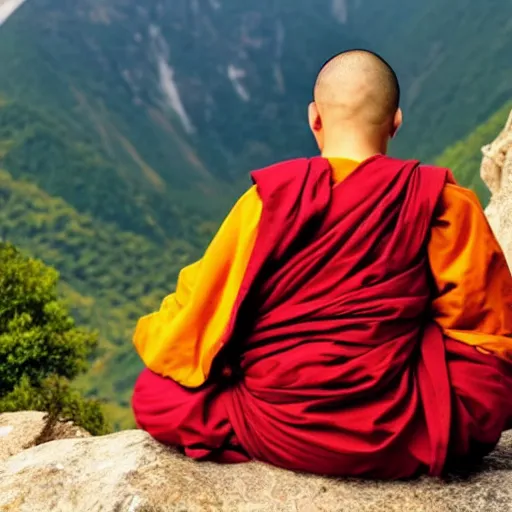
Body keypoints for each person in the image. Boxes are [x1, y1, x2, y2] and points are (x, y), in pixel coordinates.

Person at [132, 49, 512, 479]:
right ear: (396, 121)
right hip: (402, 424)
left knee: (154, 394)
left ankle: (271, 430)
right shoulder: (441, 201)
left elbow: (205, 309)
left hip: (278, 419)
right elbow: (484, 333)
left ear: (315, 118)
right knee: (486, 393)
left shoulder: (269, 200)